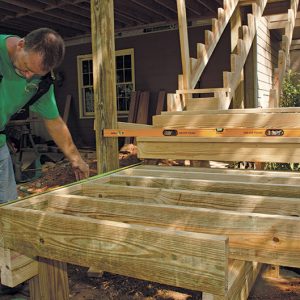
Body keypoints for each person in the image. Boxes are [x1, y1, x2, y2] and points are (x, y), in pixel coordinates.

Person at [0, 27, 90, 204]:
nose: (28, 76)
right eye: (26, 68)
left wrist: (76, 158)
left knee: (8, 208)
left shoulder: (40, 83)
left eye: (35, 73)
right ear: (21, 45)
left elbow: (54, 122)